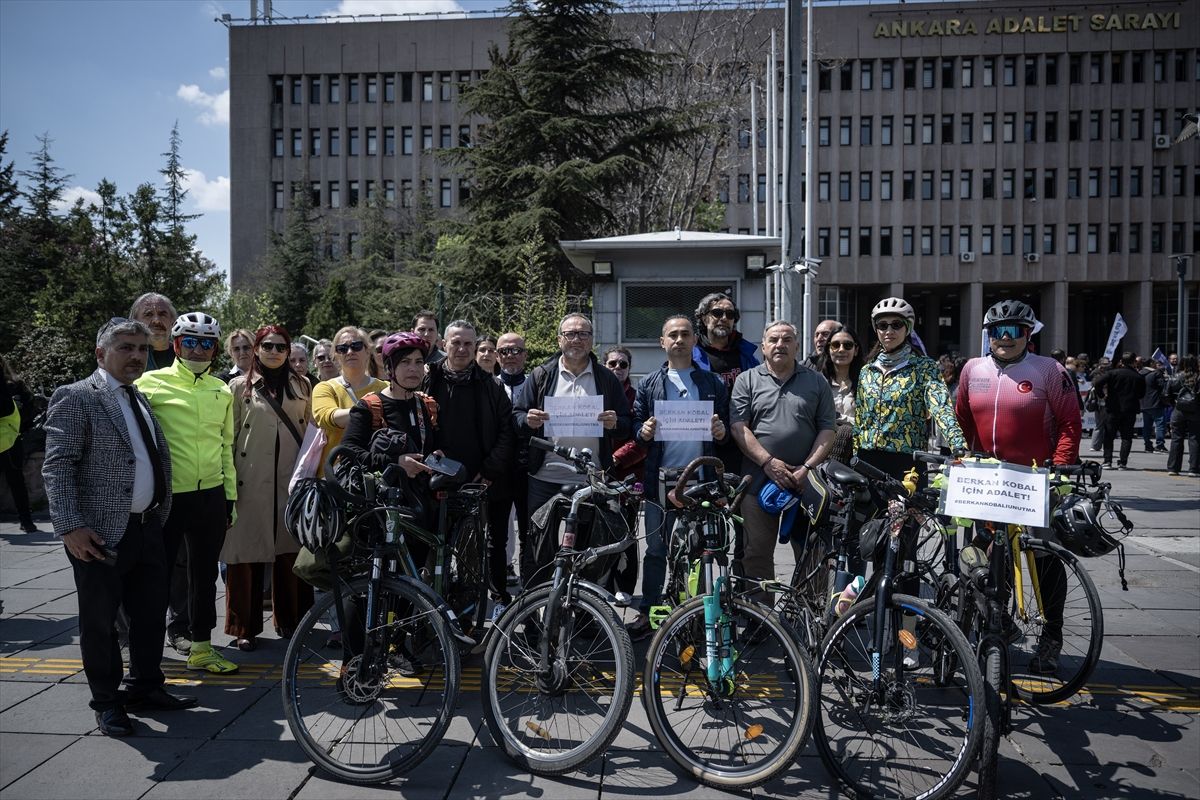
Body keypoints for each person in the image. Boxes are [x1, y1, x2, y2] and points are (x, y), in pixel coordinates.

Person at [42, 318, 196, 737]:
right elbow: (57, 466)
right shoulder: (76, 397)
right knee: (100, 622)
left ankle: (146, 687)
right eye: (126, 347)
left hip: (146, 528)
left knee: (148, 617)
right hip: (98, 534)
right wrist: (70, 526)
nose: (136, 356)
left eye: (142, 349)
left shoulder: (138, 397)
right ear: (100, 353)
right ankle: (108, 702)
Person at [135, 312, 240, 672]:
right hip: (166, 498)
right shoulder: (149, 384)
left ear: (215, 349)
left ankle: (202, 647)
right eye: (191, 342)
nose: (198, 349)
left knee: (204, 575)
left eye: (207, 343)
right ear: (177, 345)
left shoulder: (221, 390)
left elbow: (226, 446)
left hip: (209, 495)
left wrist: (230, 499)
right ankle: (145, 654)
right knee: (156, 576)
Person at [626, 316, 730, 639]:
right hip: (660, 480)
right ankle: (650, 613)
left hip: (701, 482)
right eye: (673, 334)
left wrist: (721, 431)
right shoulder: (649, 383)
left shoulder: (712, 383)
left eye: (685, 334)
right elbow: (636, 427)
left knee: (698, 553)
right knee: (656, 550)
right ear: (662, 342)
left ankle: (696, 615)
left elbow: (727, 429)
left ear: (694, 340)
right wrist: (642, 432)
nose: (679, 339)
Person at [513, 313, 632, 585]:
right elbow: (517, 417)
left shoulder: (606, 379)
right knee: (538, 549)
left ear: (592, 340)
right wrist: (527, 420)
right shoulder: (541, 375)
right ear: (559, 339)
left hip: (590, 481)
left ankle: (585, 621)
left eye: (583, 334)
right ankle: (534, 617)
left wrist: (615, 423)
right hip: (545, 478)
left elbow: (627, 424)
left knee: (587, 553)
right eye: (570, 334)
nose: (576, 339)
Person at [222, 326, 314, 651]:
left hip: (290, 482)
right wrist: (227, 484)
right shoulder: (237, 387)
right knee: (244, 557)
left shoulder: (303, 385)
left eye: (281, 346)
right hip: (249, 482)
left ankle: (292, 621)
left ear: (288, 352)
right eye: (267, 345)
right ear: (257, 349)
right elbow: (228, 438)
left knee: (291, 554)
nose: (274, 351)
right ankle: (243, 627)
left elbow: (312, 431)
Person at [730, 320, 836, 588]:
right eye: (774, 340)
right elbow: (739, 427)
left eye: (787, 340)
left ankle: (809, 620)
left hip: (807, 485)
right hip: (757, 483)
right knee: (756, 555)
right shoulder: (747, 380)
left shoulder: (816, 381)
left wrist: (808, 468)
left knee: (812, 556)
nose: (780, 344)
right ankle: (761, 622)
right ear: (763, 347)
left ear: (797, 346)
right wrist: (767, 462)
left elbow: (827, 430)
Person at [423, 320, 516, 619]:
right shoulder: (428, 379)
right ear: (443, 345)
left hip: (478, 483)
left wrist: (489, 471)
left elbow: (506, 431)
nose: (462, 349)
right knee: (431, 556)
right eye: (456, 342)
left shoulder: (491, 385)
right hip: (433, 480)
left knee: (470, 558)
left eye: (468, 344)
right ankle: (428, 619)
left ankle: (465, 621)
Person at [855, 297, 966, 477]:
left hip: (907, 461)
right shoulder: (867, 371)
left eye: (896, 325)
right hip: (867, 459)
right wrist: (854, 455)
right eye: (882, 325)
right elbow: (860, 419)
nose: (889, 331)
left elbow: (941, 408)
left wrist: (958, 444)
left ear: (908, 327)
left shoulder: (924, 367)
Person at [311, 326, 388, 478]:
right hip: (335, 477)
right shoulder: (325, 388)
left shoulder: (385, 387)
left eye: (356, 346)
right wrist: (369, 409)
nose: (350, 352)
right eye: (342, 348)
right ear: (336, 356)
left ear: (367, 351)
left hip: (378, 474)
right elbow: (327, 418)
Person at [602, 345, 644, 608]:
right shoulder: (596, 392)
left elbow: (641, 441)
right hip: (593, 473)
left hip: (626, 476)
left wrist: (615, 459)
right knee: (599, 534)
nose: (617, 369)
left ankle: (625, 587)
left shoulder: (637, 398)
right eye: (612, 364)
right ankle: (602, 586)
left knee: (626, 534)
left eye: (623, 364)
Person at [495, 332, 531, 584]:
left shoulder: (536, 383)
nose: (511, 356)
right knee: (497, 534)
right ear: (497, 356)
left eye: (517, 350)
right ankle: (499, 586)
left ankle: (533, 583)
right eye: (505, 351)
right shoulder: (489, 385)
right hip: (497, 469)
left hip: (530, 468)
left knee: (531, 532)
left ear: (525, 355)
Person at [815, 324, 865, 465]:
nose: (841, 350)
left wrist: (840, 420)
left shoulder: (867, 382)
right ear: (829, 349)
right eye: (835, 345)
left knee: (845, 432)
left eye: (847, 345)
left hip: (857, 456)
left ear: (856, 350)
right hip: (820, 451)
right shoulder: (817, 382)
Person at [0, 354, 37, 532]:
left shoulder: (14, 385)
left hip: (12, 439)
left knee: (16, 480)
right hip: (12, 438)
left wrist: (20, 427)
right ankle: (26, 520)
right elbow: (30, 409)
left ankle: (26, 519)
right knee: (16, 480)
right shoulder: (14, 385)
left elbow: (30, 409)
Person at [1092, 351, 1145, 470]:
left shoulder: (1112, 373)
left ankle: (1107, 461)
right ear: (1134, 362)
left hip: (1112, 408)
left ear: (1121, 361)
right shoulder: (1138, 376)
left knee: (1109, 435)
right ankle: (1123, 462)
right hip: (1130, 409)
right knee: (1126, 437)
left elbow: (1097, 383)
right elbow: (1142, 394)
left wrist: (1102, 395)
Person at [1164, 355, 1199, 476]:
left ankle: (1173, 468)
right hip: (1195, 412)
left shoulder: (1174, 377)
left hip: (1178, 411)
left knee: (1176, 439)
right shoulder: (1198, 377)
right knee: (1194, 439)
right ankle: (1193, 469)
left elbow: (1166, 395)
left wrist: (1175, 404)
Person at [129, 293, 177, 371]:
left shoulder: (186, 357)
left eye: (162, 314)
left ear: (172, 321)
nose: (157, 321)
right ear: (135, 322)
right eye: (148, 314)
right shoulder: (125, 359)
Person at [1140, 360, 1168, 453]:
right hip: (1155, 403)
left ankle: (1147, 445)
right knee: (1160, 425)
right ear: (1151, 364)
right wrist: (1165, 377)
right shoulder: (1156, 373)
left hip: (1144, 404)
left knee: (1147, 426)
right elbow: (1162, 386)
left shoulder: (1140, 373)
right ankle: (1159, 445)